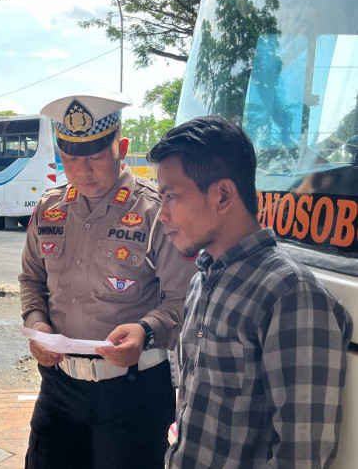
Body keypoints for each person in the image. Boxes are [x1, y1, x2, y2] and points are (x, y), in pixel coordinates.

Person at [146, 115, 353, 468]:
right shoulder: (202, 280)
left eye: (171, 196)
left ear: (223, 195)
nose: (161, 214)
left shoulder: (290, 295)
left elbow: (301, 456)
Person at [20, 92, 198, 469]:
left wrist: (145, 330)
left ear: (122, 147)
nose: (82, 170)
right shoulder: (49, 209)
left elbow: (185, 298)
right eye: (69, 158)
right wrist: (36, 324)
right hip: (60, 387)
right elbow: (31, 280)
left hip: (133, 392)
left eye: (96, 156)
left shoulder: (154, 212)